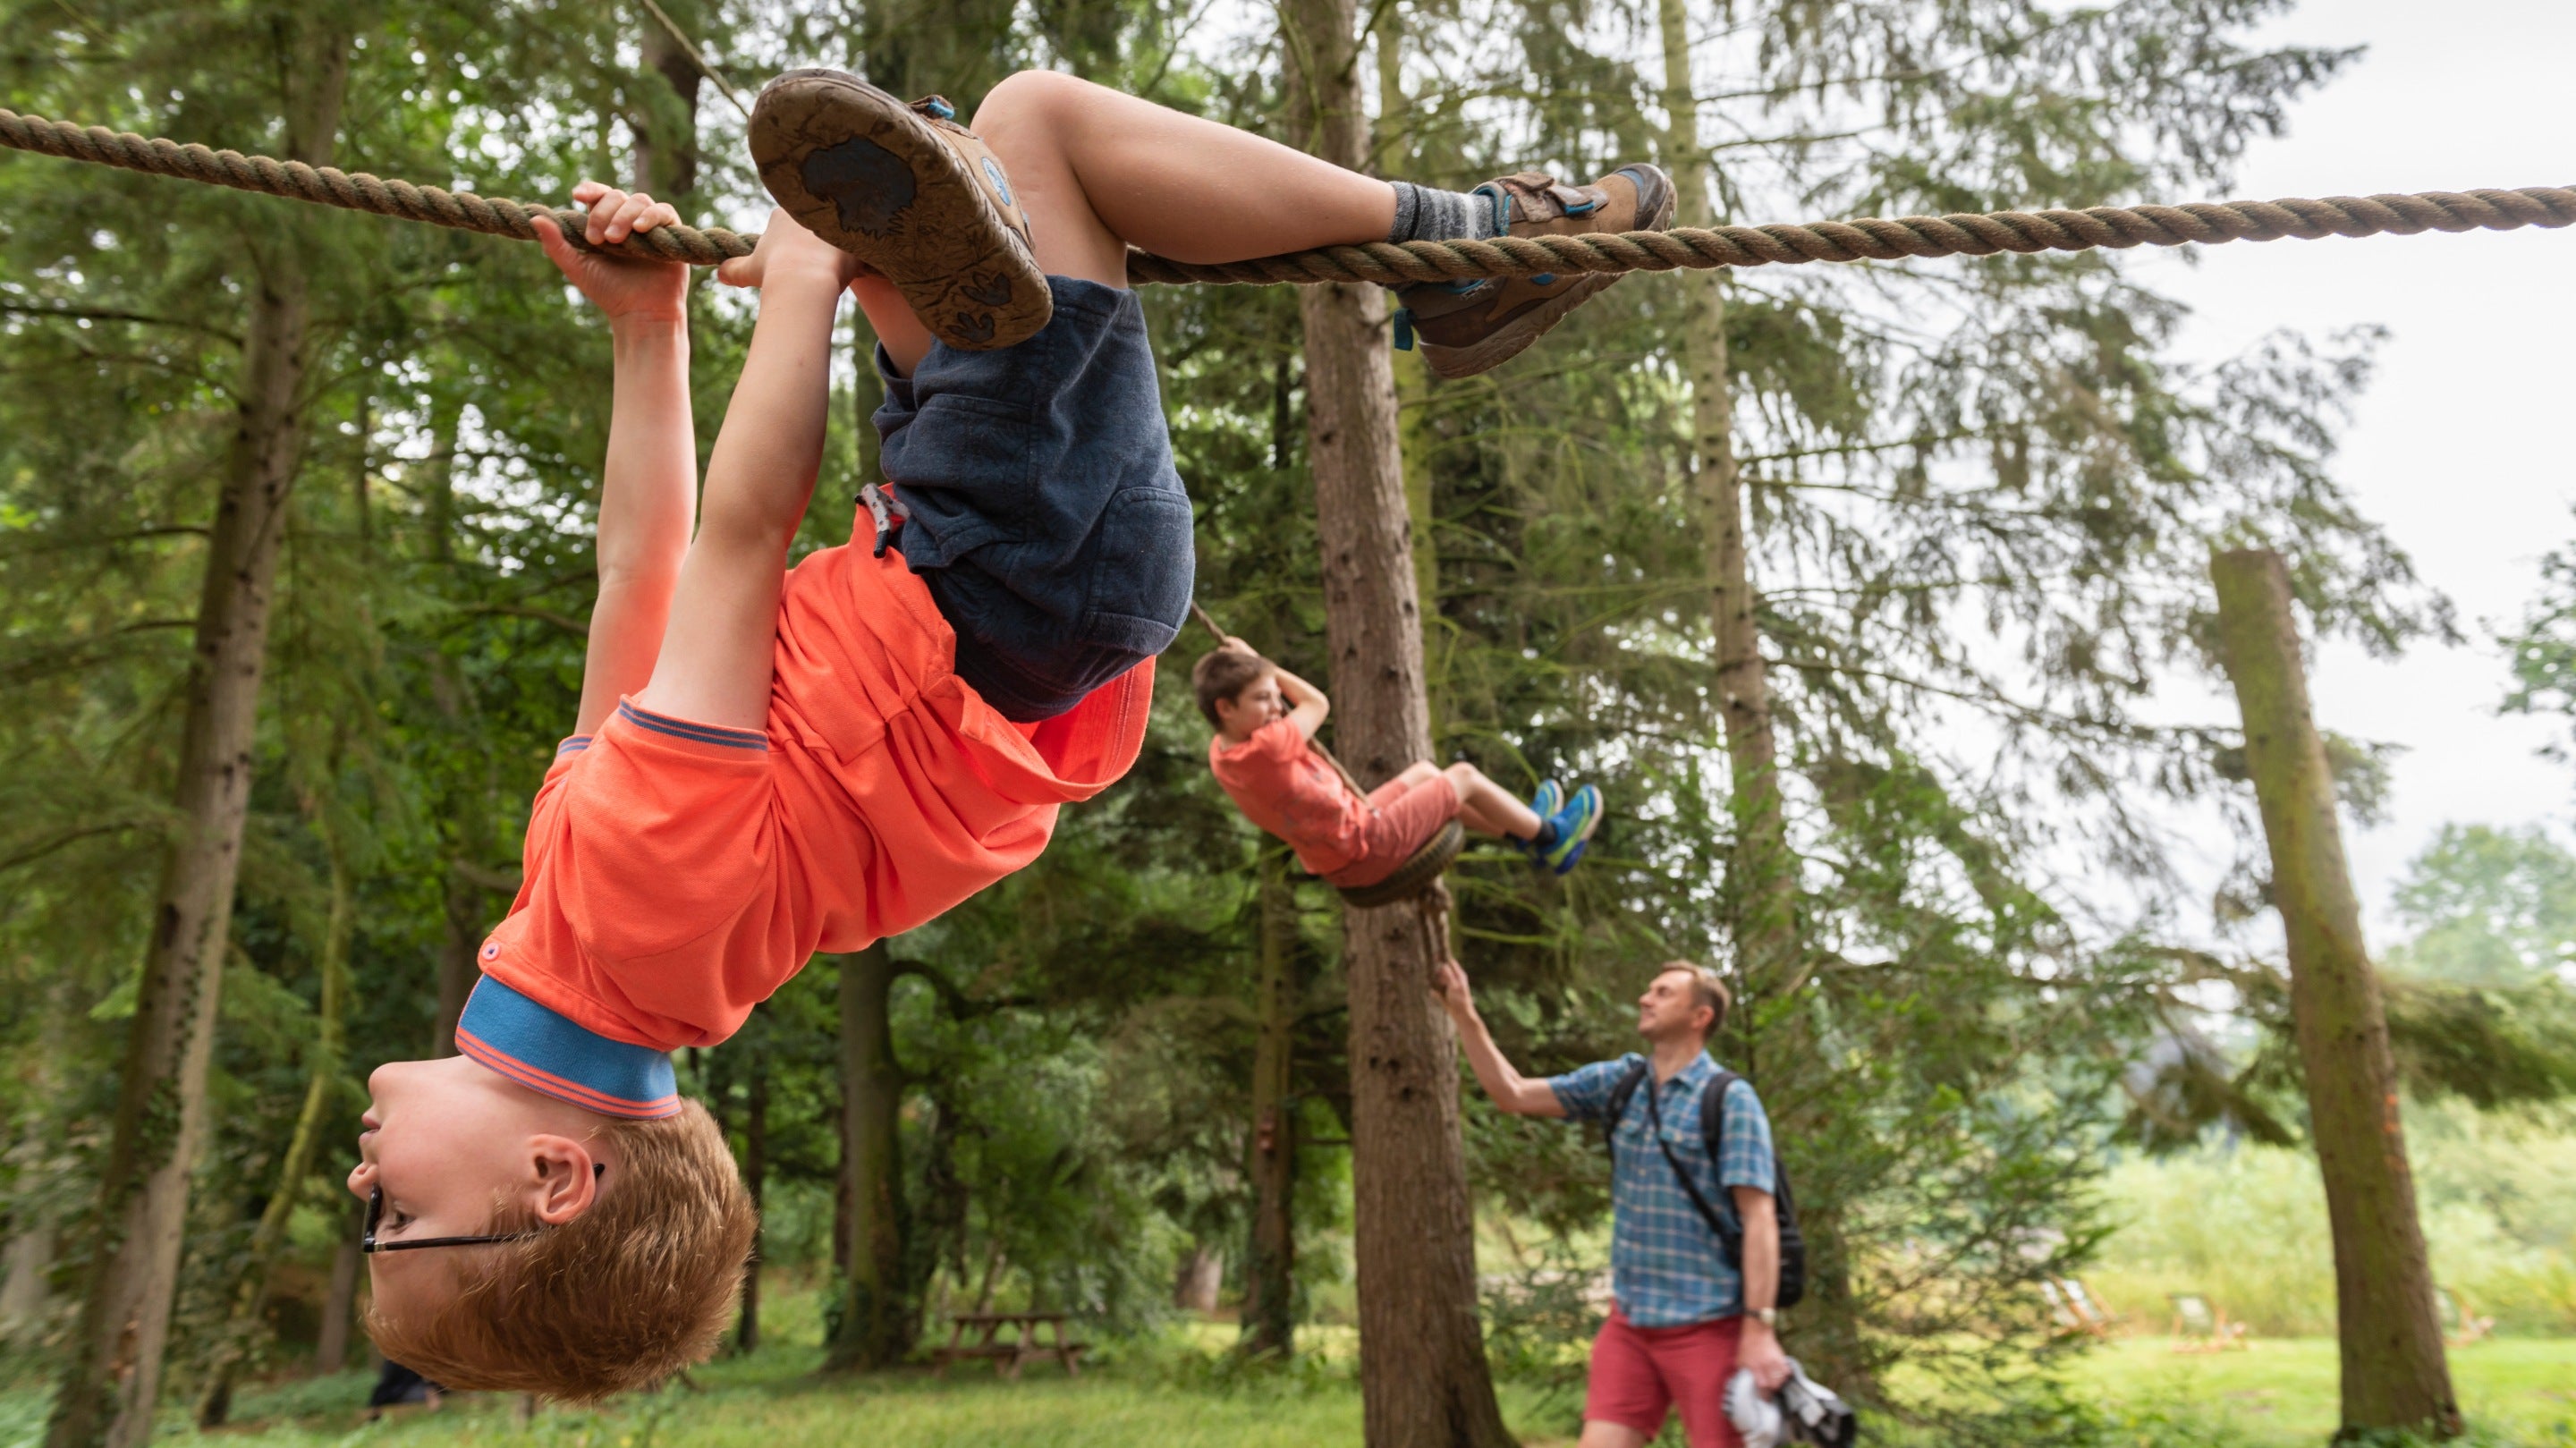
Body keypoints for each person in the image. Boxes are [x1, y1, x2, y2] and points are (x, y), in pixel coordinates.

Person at [349, 69, 1671, 1401]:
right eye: (394, 1219)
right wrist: (799, 286)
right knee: (1034, 125)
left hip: (991, 568)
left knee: (960, 199)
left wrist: (651, 329)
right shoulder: (632, 921)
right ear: (555, 1176)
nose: (362, 1182)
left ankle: (1409, 258)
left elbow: (640, 584)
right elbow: (737, 544)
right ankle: (1463, 244)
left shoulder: (597, 951)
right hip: (1007, 568)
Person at [1432, 957, 1791, 1448]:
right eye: (1649, 989)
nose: (1645, 998)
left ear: (1699, 1016)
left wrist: (1758, 1329)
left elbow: (1760, 1219)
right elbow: (1512, 1094)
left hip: (1710, 1329)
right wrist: (1464, 1013)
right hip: (1630, 1327)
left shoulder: (1729, 1100)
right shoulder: (1620, 1083)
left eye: (1663, 992)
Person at [1194, 639, 1602, 884]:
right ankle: (1551, 838)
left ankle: (1520, 833)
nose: (1277, 707)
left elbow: (1274, 722)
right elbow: (1318, 702)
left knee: (1428, 775)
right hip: (1365, 846)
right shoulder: (1269, 745)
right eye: (1263, 699)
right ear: (1226, 708)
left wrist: (1253, 673)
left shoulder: (1223, 754)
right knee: (1462, 777)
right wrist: (1265, 663)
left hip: (1340, 849)